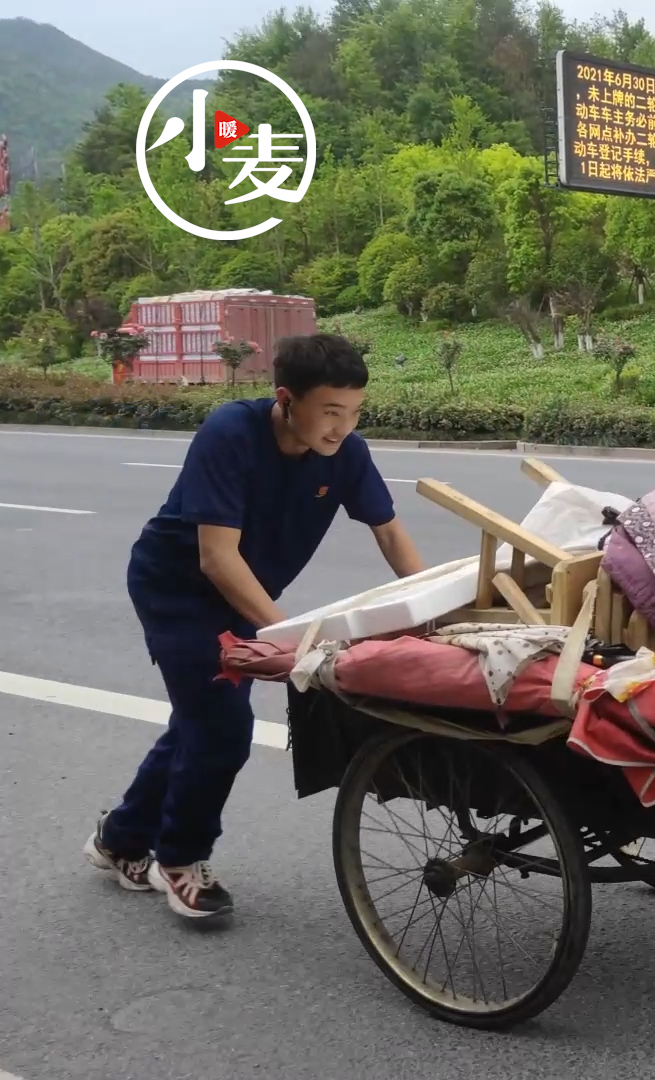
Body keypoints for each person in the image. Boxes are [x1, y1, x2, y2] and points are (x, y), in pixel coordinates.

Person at [83, 332, 426, 920]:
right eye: (330, 412)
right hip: (179, 592)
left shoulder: (347, 453)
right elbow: (216, 557)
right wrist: (294, 638)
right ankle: (180, 860)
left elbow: (390, 532)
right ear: (286, 399)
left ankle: (119, 838)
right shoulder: (230, 434)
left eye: (355, 412)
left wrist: (429, 607)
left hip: (245, 594)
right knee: (221, 728)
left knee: (201, 719)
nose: (342, 427)